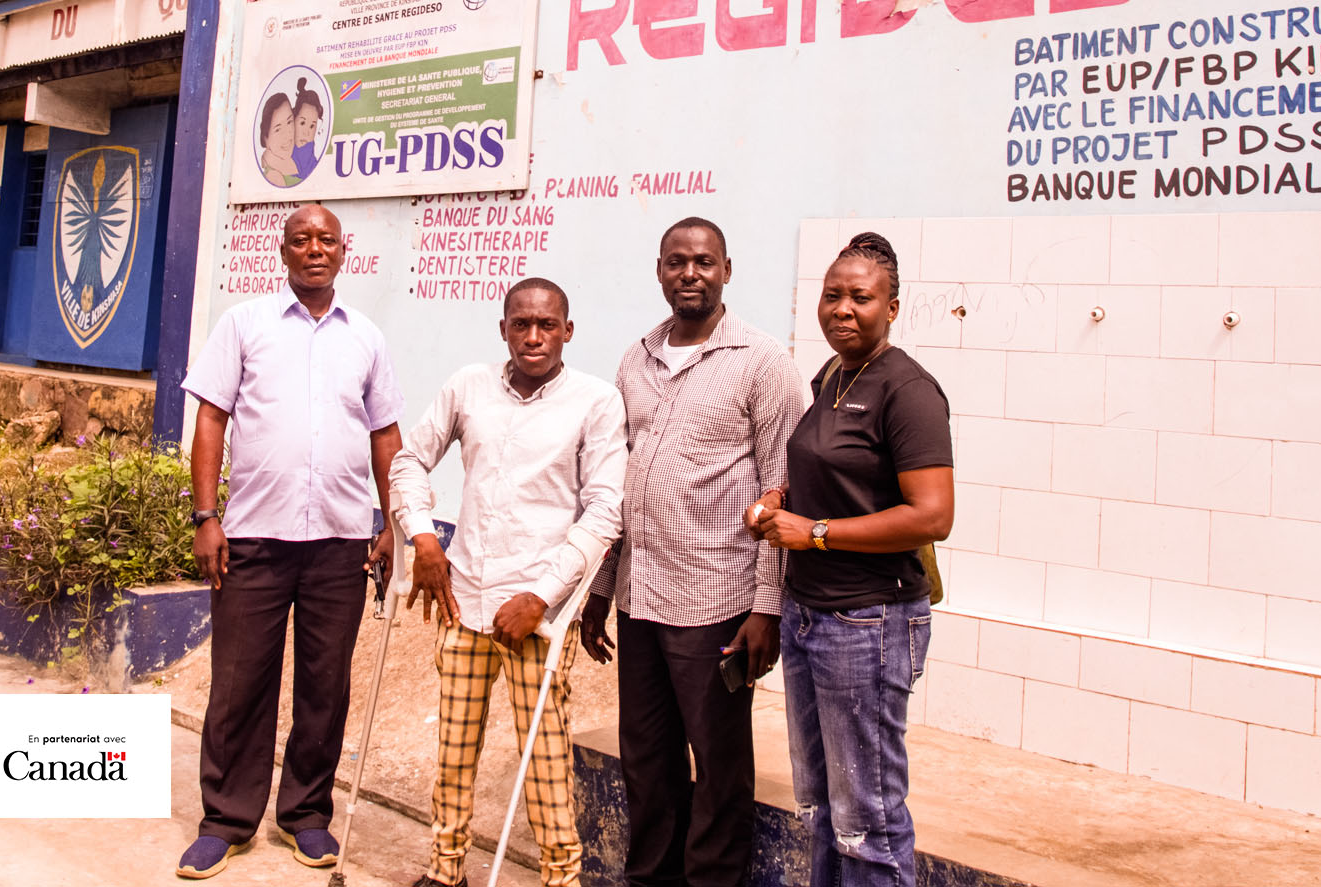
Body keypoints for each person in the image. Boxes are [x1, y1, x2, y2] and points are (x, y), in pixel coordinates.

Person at [177, 205, 404, 879]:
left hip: (340, 541)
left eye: (325, 239)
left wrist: (390, 522)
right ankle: (225, 820)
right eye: (301, 239)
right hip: (251, 536)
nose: (314, 249)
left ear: (344, 250)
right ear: (283, 250)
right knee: (240, 681)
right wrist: (205, 515)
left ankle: (306, 813)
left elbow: (385, 437)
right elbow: (211, 418)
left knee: (324, 685)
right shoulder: (244, 324)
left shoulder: (366, 336)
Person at [580, 217, 803, 887]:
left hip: (719, 604)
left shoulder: (763, 362)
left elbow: (782, 490)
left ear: (727, 269)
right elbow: (620, 480)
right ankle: (649, 878)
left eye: (704, 261)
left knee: (719, 766)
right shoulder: (635, 357)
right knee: (646, 760)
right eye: (677, 261)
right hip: (640, 599)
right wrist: (599, 590)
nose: (690, 273)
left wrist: (768, 606)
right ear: (659, 269)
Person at [390, 277, 628, 887]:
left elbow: (605, 509)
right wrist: (422, 536)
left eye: (547, 324)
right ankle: (446, 874)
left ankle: (560, 879)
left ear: (568, 331)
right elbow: (410, 461)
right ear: (503, 329)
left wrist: (542, 596)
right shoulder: (466, 387)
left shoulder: (595, 402)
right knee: (454, 752)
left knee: (545, 761)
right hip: (464, 599)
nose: (533, 336)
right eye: (520, 323)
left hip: (538, 615)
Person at [746, 231, 954, 887]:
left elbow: (933, 515)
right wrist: (781, 497)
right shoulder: (831, 375)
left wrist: (816, 533)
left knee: (868, 819)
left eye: (860, 296)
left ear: (892, 306)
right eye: (831, 294)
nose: (842, 308)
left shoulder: (910, 390)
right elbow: (829, 471)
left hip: (870, 623)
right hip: (810, 617)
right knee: (824, 807)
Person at [258, 92, 300, 188]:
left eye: (289, 122)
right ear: (266, 139)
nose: (287, 134)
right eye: (278, 129)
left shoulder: (291, 163)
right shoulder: (274, 176)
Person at [292, 79, 326, 181]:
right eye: (302, 123)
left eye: (312, 126)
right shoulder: (281, 159)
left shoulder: (316, 167)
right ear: (293, 120)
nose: (306, 132)